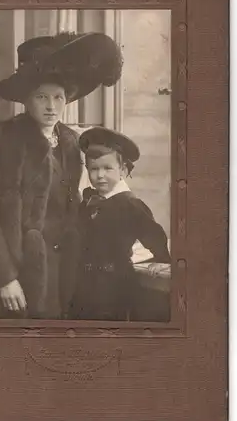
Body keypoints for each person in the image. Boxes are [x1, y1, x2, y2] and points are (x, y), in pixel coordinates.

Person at [0, 32, 123, 319]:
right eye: (41, 96)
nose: (51, 106)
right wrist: (6, 278)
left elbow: (70, 208)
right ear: (26, 100)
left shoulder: (69, 142)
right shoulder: (4, 142)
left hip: (58, 270)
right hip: (14, 271)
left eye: (58, 97)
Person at [69, 127, 171, 321]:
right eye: (94, 169)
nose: (100, 175)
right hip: (85, 284)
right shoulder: (88, 203)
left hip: (115, 285)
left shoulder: (130, 205)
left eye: (108, 169)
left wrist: (162, 259)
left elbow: (154, 234)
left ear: (123, 170)